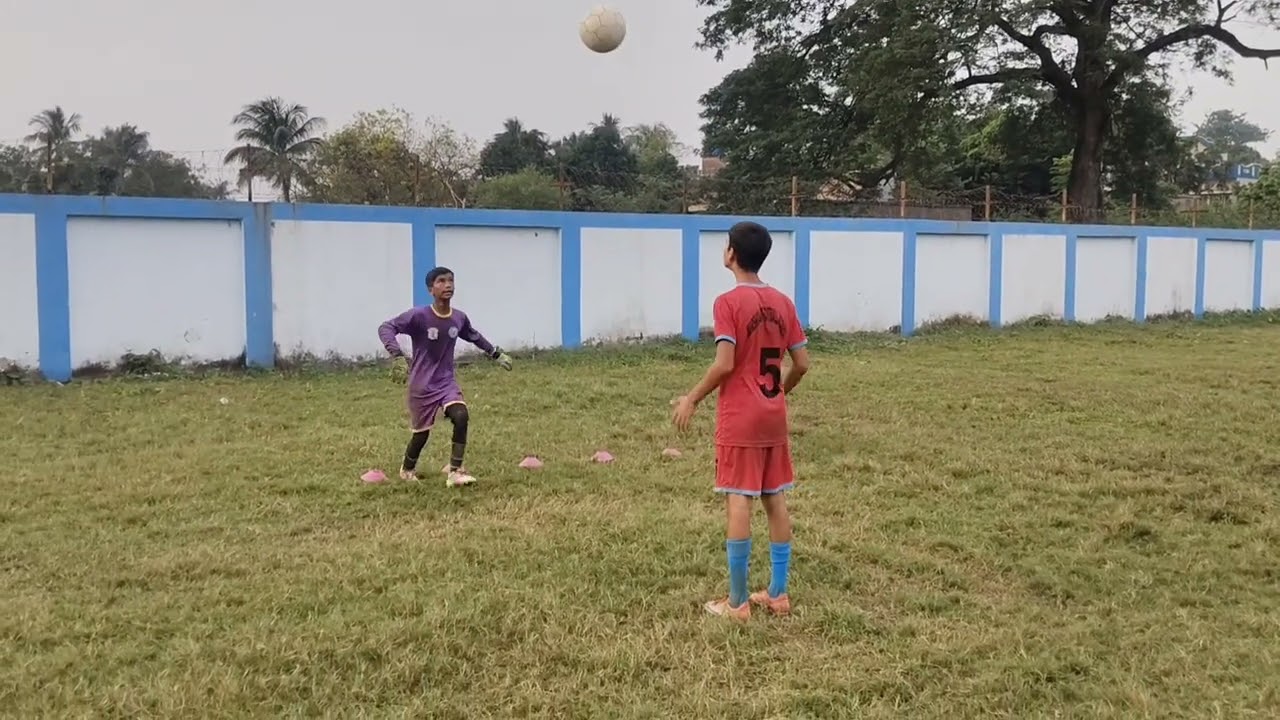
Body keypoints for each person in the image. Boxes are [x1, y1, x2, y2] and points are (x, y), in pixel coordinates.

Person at [671, 221, 810, 621]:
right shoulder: (783, 302)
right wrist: (779, 392)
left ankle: (736, 603)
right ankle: (778, 595)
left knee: (738, 500)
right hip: (773, 416)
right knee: (775, 499)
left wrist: (691, 399)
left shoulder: (727, 303)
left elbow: (725, 364)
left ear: (731, 254)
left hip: (741, 419)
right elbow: (802, 363)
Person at [378, 266, 512, 487]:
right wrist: (397, 355)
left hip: (445, 382)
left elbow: (473, 336)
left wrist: (495, 354)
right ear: (431, 289)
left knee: (461, 416)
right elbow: (386, 327)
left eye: (451, 280)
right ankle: (407, 469)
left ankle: (455, 471)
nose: (447, 285)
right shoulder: (418, 316)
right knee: (421, 434)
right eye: (441, 281)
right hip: (421, 384)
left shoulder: (458, 318)